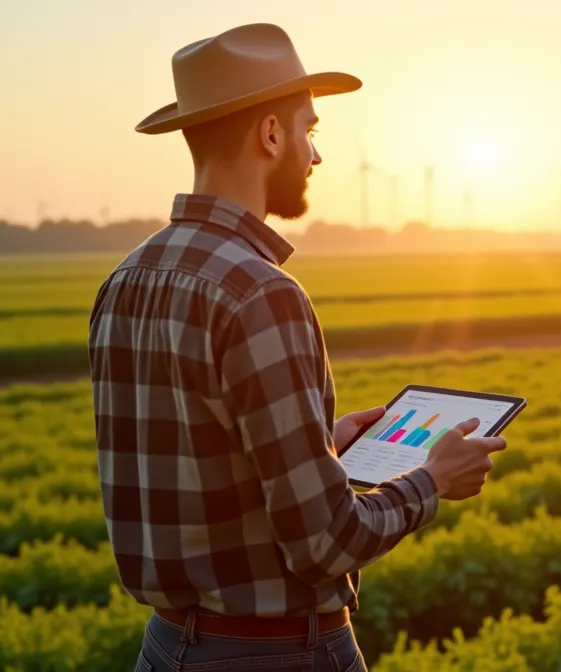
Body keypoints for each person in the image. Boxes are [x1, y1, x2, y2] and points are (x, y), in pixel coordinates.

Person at [87, 23, 506, 671]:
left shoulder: (125, 280)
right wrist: (432, 479)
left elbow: (198, 458)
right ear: (271, 135)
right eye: (311, 130)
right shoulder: (261, 293)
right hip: (278, 655)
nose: (315, 156)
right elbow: (325, 543)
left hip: (164, 650)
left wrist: (323, 441)